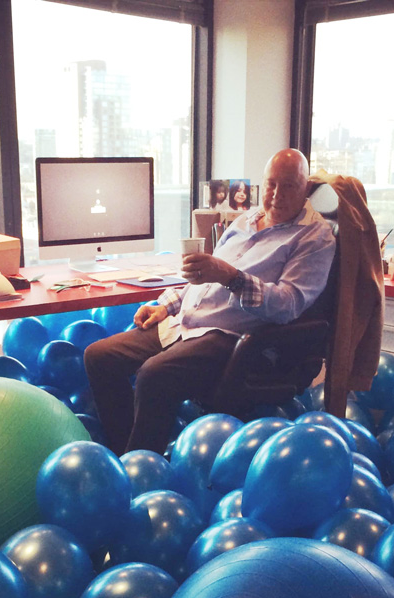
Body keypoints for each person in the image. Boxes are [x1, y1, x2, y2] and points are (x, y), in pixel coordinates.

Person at [84, 148, 336, 457]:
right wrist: (166, 305)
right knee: (99, 356)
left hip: (235, 337)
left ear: (305, 188)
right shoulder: (247, 219)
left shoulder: (315, 237)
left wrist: (231, 276)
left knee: (153, 375)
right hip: (187, 322)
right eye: (271, 184)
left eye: (289, 186)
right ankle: (124, 455)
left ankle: (141, 475)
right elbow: (205, 280)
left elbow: (287, 305)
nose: (276, 195)